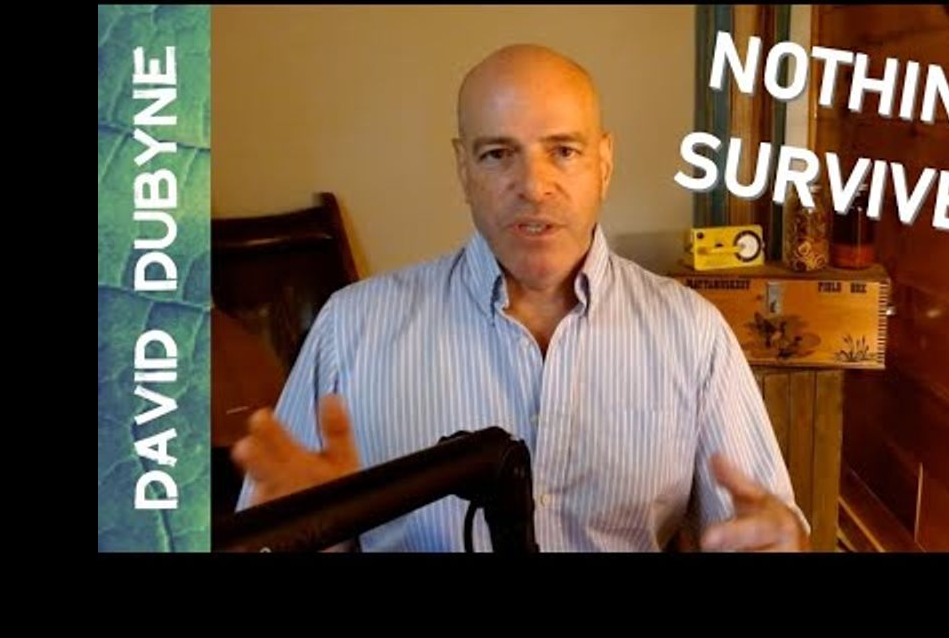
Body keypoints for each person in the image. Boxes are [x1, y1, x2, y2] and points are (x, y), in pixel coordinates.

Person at [233, 44, 811, 552]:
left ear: (604, 164)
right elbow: (274, 536)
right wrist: (312, 538)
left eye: (564, 151)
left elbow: (765, 529)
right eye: (497, 154)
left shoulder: (693, 333)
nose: (534, 187)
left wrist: (782, 540)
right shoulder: (351, 329)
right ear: (464, 169)